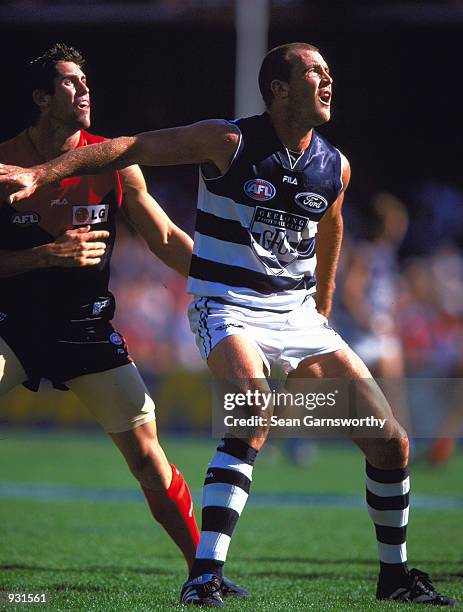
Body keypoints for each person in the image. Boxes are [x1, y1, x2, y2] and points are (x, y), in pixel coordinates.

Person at [0, 42, 457, 608]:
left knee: (391, 443)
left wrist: (326, 299)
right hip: (227, 306)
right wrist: (42, 173)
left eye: (329, 71)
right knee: (254, 409)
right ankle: (205, 575)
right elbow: (131, 147)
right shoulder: (228, 140)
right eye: (313, 70)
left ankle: (395, 578)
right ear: (279, 90)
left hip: (292, 318)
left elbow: (332, 223)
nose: (327, 78)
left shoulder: (334, 165)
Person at [0, 43, 246, 601]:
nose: (84, 89)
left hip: (86, 331)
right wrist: (43, 257)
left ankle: (204, 573)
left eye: (85, 80)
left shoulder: (115, 162)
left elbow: (163, 239)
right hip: (10, 325)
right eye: (68, 82)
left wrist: (228, 280)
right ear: (41, 98)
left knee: (148, 458)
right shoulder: (5, 164)